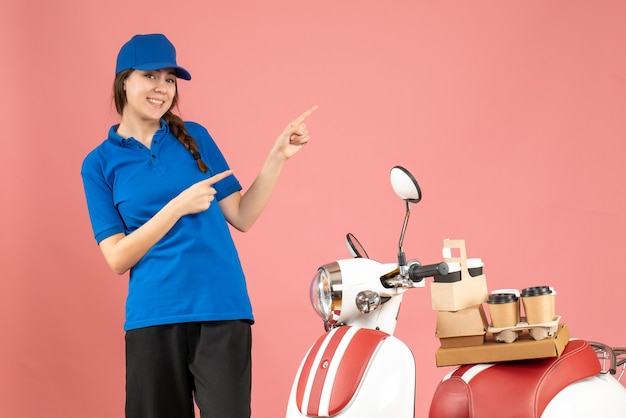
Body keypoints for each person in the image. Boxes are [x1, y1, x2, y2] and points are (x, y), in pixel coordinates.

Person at [80, 33, 317, 418]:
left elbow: (242, 215)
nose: (162, 88)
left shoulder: (196, 138)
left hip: (221, 309)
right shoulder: (99, 164)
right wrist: (175, 208)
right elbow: (116, 258)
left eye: (170, 79)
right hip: (153, 317)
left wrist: (277, 158)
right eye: (151, 76)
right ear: (124, 80)